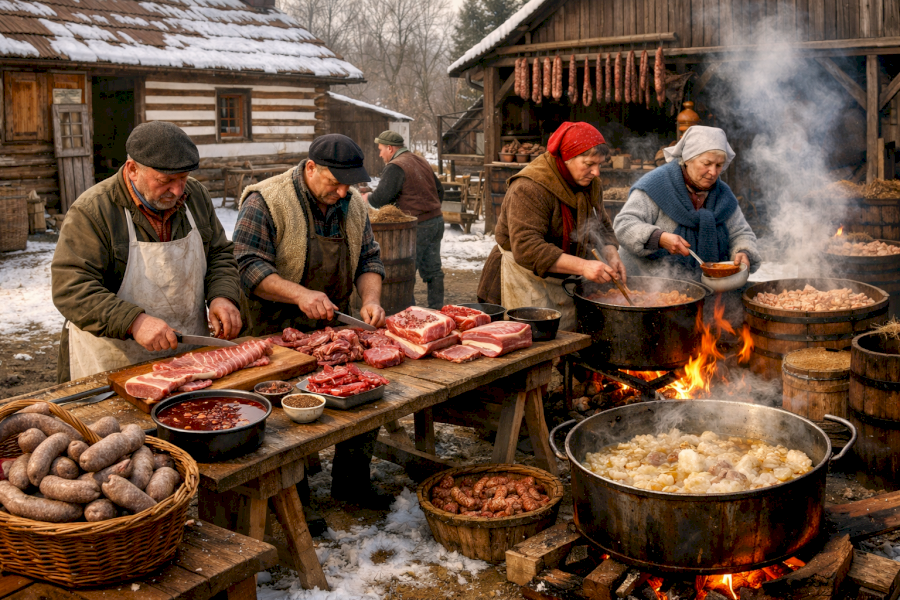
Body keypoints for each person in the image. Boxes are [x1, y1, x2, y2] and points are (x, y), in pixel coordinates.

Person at [233, 134, 392, 509]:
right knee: (287, 416)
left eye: (348, 185)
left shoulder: (352, 204)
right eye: (334, 183)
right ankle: (295, 503)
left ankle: (352, 485)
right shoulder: (266, 200)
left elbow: (369, 258)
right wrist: (300, 295)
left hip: (333, 328)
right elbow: (249, 267)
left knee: (359, 396)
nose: (342, 192)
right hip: (274, 328)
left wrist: (371, 300)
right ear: (310, 168)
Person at [51, 121, 243, 383]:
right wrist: (133, 321)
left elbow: (219, 254)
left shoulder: (196, 197)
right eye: (166, 181)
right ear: (133, 169)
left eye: (183, 179)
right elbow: (71, 289)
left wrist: (222, 295)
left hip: (188, 360)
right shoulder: (93, 211)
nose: (177, 191)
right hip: (114, 364)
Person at [477, 122, 624, 331]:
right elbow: (528, 248)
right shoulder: (529, 187)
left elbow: (600, 223)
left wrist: (611, 253)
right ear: (566, 157)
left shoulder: (591, 184)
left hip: (563, 278)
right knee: (529, 344)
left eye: (599, 164)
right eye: (589, 164)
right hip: (523, 278)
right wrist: (583, 266)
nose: (596, 172)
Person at [613, 126, 761, 281]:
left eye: (719, 165)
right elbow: (624, 225)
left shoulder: (723, 195)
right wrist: (659, 238)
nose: (713, 172)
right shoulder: (656, 185)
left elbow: (741, 233)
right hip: (650, 284)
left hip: (711, 286)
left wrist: (743, 252)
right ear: (688, 159)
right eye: (707, 163)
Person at [366, 130, 446, 309]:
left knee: (407, 271)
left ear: (390, 148)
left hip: (417, 226)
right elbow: (440, 190)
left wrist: (367, 198)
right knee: (433, 270)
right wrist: (429, 209)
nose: (380, 154)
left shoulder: (396, 166)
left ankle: (408, 313)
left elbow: (381, 198)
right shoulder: (420, 160)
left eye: (381, 149)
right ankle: (437, 309)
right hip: (436, 221)